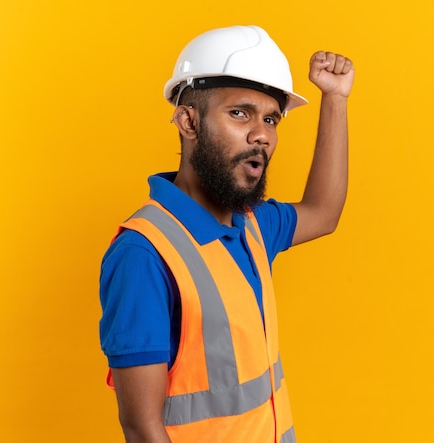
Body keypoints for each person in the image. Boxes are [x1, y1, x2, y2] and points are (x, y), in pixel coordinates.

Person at [99, 25, 354, 443]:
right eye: (240, 113)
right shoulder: (144, 253)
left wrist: (336, 99)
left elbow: (323, 213)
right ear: (188, 121)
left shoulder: (251, 225)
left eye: (271, 119)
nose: (262, 134)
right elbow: (143, 428)